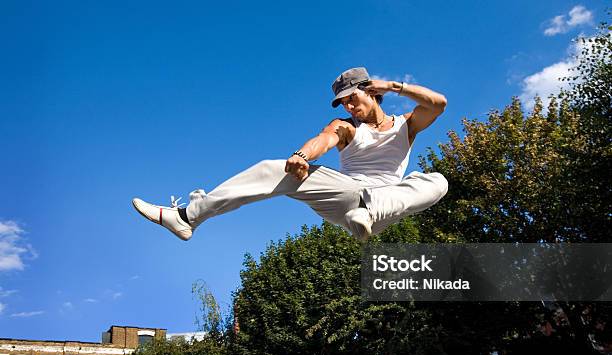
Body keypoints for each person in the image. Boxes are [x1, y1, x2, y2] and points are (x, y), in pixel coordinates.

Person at [132, 67, 448, 241]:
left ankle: (372, 209)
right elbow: (325, 139)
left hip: (387, 205)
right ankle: (187, 217)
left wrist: (394, 85)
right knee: (277, 168)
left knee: (437, 181)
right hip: (348, 200)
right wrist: (302, 155)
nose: (350, 107)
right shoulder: (345, 126)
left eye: (353, 99)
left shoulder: (405, 125)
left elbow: (438, 104)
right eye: (344, 103)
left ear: (373, 92)